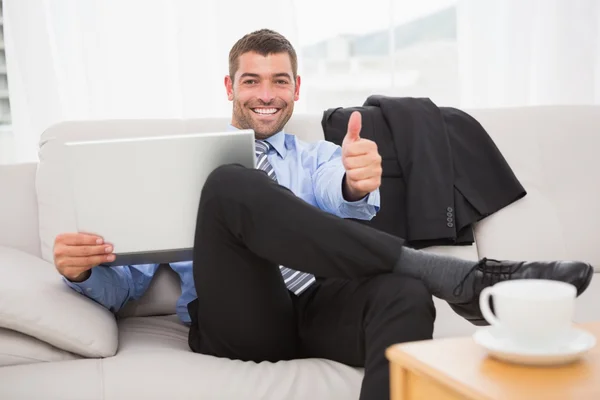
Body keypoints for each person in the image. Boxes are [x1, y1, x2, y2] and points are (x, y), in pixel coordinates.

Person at [54, 29, 593, 400]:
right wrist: (81, 269)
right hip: (240, 320)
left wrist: (357, 181)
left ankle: (433, 280)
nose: (266, 95)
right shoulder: (175, 167)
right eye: (251, 81)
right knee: (227, 183)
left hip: (319, 304)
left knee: (402, 294)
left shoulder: (315, 157)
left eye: (280, 81)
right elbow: (124, 284)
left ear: (296, 90)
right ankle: (453, 277)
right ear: (230, 88)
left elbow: (342, 192)